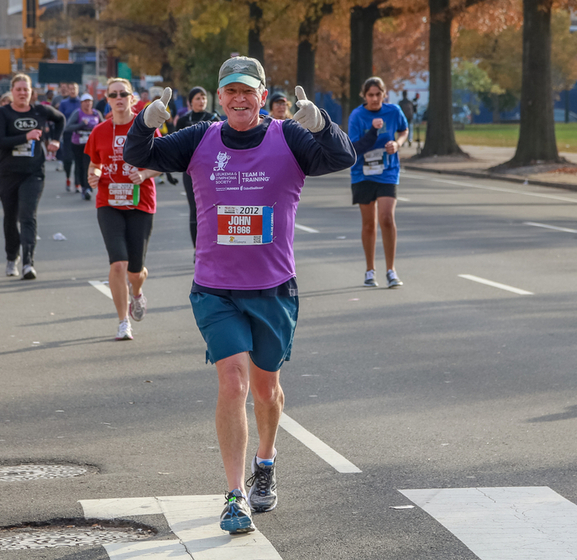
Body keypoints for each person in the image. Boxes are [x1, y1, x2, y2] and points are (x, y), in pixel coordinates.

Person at [123, 56, 355, 534]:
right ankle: (234, 495)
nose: (239, 99)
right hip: (215, 288)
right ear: (220, 95)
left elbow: (341, 157)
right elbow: (139, 156)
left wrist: (321, 124)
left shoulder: (288, 136)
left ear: (263, 93)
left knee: (267, 389)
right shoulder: (200, 138)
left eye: (248, 90)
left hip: (273, 288)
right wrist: (146, 122)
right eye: (230, 91)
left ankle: (265, 462)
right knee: (233, 382)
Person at [85, 78, 161, 341]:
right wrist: (93, 175)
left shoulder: (145, 128)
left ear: (133, 98)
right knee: (118, 264)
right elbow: (94, 164)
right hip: (108, 202)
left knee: (135, 271)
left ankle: (137, 293)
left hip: (140, 202)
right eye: (113, 94)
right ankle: (122, 322)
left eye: (123, 94)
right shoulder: (99, 131)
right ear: (107, 99)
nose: (118, 98)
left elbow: (161, 162)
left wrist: (144, 174)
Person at [0, 73, 64, 279]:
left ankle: (28, 263)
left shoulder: (40, 111)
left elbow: (60, 120)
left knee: (27, 215)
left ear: (32, 92)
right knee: (10, 218)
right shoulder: (2, 113)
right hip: (8, 173)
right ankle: (11, 257)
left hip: (33, 172)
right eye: (19, 89)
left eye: (26, 89)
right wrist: (26, 136)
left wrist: (56, 141)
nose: (23, 93)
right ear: (12, 92)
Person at [348, 76, 408, 288]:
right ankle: (369, 270)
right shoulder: (357, 116)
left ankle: (391, 270)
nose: (374, 99)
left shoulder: (393, 111)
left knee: (386, 218)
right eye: (370, 95)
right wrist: (373, 130)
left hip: (388, 170)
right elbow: (355, 148)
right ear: (364, 96)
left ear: (384, 94)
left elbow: (404, 130)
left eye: (378, 94)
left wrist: (397, 144)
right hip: (362, 173)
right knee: (369, 224)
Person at [174, 86, 220, 250]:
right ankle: (197, 249)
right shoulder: (183, 120)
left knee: (213, 208)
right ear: (190, 102)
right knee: (195, 208)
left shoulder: (214, 118)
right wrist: (170, 172)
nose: (202, 101)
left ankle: (213, 245)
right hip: (190, 171)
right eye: (198, 98)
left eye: (204, 98)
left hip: (211, 171)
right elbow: (174, 146)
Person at [64, 93, 103, 201]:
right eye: (85, 102)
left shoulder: (96, 113)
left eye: (89, 101)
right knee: (80, 165)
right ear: (81, 103)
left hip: (92, 144)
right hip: (78, 144)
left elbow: (103, 126)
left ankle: (88, 188)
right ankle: (83, 186)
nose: (87, 104)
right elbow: (68, 127)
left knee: (89, 165)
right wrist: (81, 124)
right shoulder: (78, 113)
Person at [58, 83, 81, 191]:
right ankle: (68, 177)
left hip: (80, 134)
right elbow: (60, 118)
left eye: (74, 89)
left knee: (78, 159)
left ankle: (77, 183)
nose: (72, 91)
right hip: (67, 134)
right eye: (70, 89)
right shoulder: (64, 103)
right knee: (67, 159)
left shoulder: (82, 102)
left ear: (78, 90)